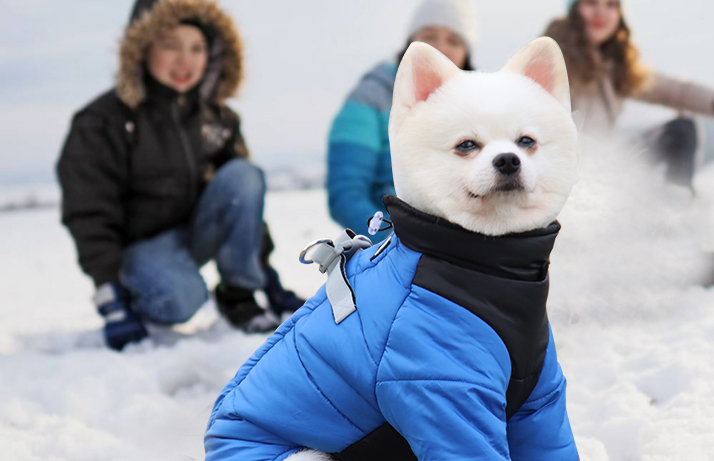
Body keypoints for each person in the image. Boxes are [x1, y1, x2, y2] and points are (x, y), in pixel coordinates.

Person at [57, 0, 304, 351]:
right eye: (170, 45)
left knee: (244, 176)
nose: (185, 60)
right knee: (182, 301)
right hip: (137, 250)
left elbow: (243, 205)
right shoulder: (102, 121)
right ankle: (140, 291)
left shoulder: (217, 119)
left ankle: (239, 294)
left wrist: (267, 278)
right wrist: (109, 292)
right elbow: (89, 212)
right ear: (142, 48)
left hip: (192, 234)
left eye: (197, 48)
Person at [545, 0, 714, 286]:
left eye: (610, 5)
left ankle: (673, 245)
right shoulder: (553, 57)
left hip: (603, 175)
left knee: (681, 130)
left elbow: (674, 90)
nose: (600, 14)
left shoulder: (614, 66)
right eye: (590, 3)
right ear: (574, 10)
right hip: (564, 187)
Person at [326, 0, 476, 240]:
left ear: (466, 54)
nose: (440, 47)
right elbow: (346, 196)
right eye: (429, 36)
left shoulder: (482, 106)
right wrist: (402, 242)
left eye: (454, 41)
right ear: (410, 44)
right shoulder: (369, 99)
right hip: (395, 248)